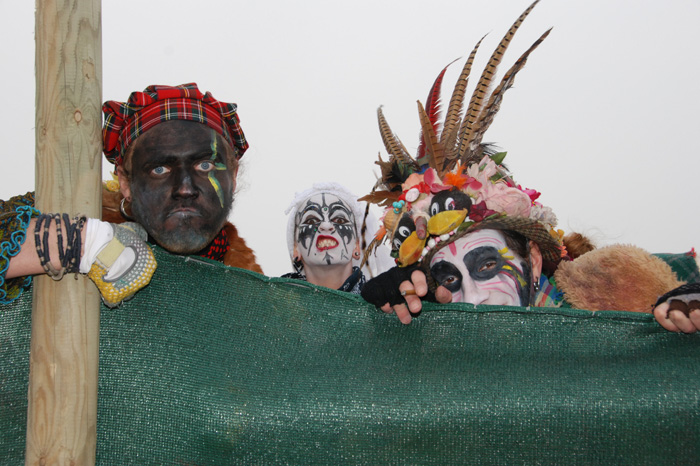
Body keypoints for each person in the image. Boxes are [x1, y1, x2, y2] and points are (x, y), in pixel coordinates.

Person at [358, 10, 700, 332]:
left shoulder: (612, 292)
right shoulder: (447, 333)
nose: (474, 300)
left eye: (488, 265)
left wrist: (677, 319)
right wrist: (391, 326)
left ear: (533, 261)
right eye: (449, 279)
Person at [1, 83, 262, 307]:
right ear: (125, 182)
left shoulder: (259, 297)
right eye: (160, 168)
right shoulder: (55, 220)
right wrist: (83, 242)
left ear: (234, 176)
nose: (185, 188)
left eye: (205, 166)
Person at [282, 182, 391, 294]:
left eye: (339, 220)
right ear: (295, 248)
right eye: (311, 220)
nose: (326, 226)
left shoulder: (385, 304)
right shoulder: (274, 304)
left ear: (356, 246)